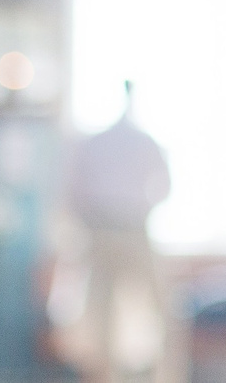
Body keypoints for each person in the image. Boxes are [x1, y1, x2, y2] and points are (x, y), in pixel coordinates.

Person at [60, 82, 174, 383]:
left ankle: (154, 375)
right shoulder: (94, 143)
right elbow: (73, 192)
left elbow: (164, 187)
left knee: (155, 314)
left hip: (133, 230)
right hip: (103, 233)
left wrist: (138, 213)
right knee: (98, 318)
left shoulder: (144, 142)